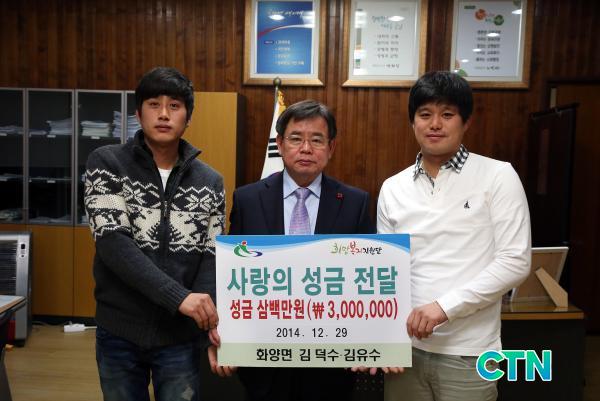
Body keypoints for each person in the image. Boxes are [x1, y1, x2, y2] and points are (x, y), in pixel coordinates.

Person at [377, 71, 531, 401]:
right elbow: (386, 272)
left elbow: (515, 262)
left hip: (469, 351)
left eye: (447, 114)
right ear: (412, 122)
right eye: (425, 114)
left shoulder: (498, 176)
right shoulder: (392, 187)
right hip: (405, 351)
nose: (435, 124)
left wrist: (444, 307)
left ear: (466, 122)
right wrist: (383, 339)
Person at [208, 99, 375, 401]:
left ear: (331, 147)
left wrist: (369, 341)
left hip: (330, 359)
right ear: (280, 144)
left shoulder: (355, 203)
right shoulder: (248, 199)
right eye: (296, 138)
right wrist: (226, 337)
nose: (306, 149)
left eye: (317, 140)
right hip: (263, 358)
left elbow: (367, 280)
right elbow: (232, 275)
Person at [84, 66, 224, 401]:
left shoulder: (210, 181)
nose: (163, 114)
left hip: (180, 337)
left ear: (188, 117)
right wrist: (179, 298)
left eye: (174, 106)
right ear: (138, 114)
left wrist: (207, 327)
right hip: (119, 330)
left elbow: (210, 258)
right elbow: (113, 244)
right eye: (153, 104)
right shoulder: (106, 163)